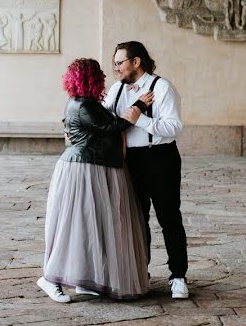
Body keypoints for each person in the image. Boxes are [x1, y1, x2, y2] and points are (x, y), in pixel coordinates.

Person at [38, 58, 151, 302]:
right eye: (99, 74)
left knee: (91, 226)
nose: (103, 76)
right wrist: (139, 106)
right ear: (90, 78)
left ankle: (85, 279)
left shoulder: (84, 103)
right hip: (84, 169)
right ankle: (50, 278)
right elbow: (113, 126)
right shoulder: (83, 105)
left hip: (93, 167)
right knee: (75, 226)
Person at [105, 41, 189, 300]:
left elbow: (174, 127)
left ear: (136, 62)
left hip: (160, 159)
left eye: (120, 63)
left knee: (169, 219)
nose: (116, 68)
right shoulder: (117, 89)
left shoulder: (162, 87)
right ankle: (141, 273)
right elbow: (106, 119)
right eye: (115, 63)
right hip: (130, 162)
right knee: (137, 221)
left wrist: (139, 119)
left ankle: (178, 276)